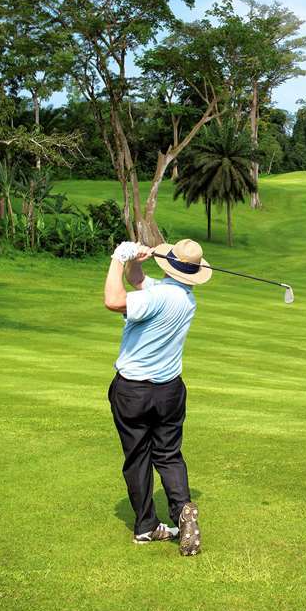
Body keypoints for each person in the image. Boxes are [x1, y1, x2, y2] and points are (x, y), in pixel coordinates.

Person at [103, 238, 211, 556]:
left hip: (133, 391)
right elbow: (138, 281)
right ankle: (181, 511)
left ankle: (147, 526)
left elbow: (114, 299)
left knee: (138, 457)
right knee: (169, 454)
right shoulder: (185, 298)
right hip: (169, 390)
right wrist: (135, 260)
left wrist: (116, 258)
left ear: (169, 265)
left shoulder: (157, 298)